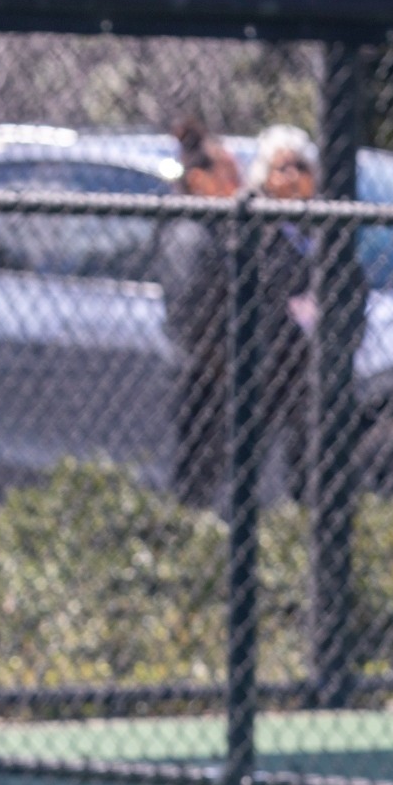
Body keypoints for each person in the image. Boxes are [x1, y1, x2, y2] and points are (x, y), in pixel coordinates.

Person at [161, 117, 243, 507]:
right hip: (197, 378)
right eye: (228, 173)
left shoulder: (218, 231)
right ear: (199, 180)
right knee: (193, 483)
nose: (238, 182)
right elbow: (192, 316)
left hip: (213, 377)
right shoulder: (190, 235)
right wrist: (224, 362)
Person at [244, 123, 325, 502]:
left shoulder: (326, 230)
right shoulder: (255, 229)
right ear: (266, 176)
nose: (293, 177)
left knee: (309, 453)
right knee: (250, 449)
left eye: (301, 167)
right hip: (267, 361)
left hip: (315, 364)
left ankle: (303, 518)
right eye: (283, 168)